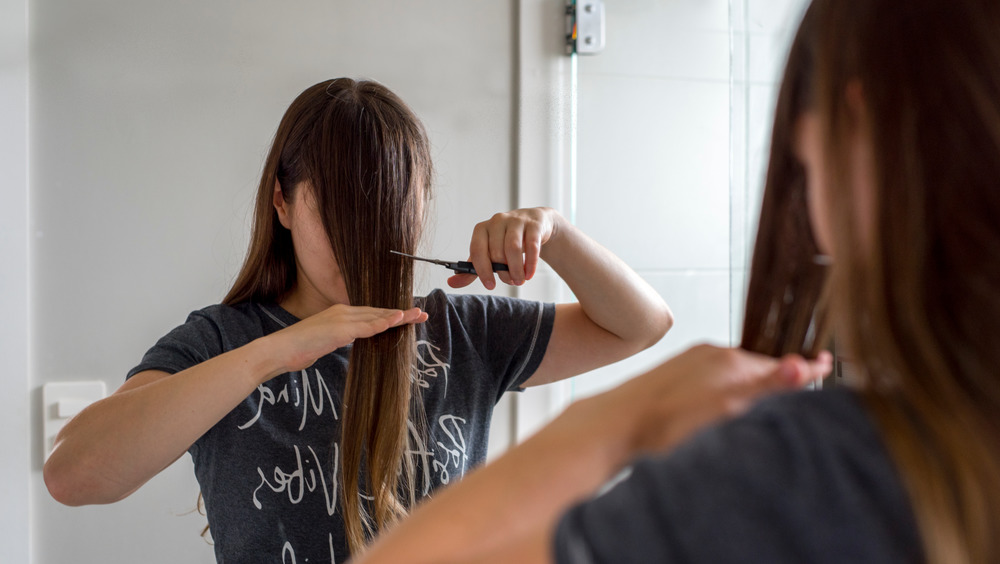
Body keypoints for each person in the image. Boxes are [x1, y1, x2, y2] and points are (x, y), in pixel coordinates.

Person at [354, 0, 1000, 562]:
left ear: (858, 130)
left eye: (803, 163)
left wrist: (627, 414)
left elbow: (641, 322)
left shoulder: (803, 472)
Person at [42, 78, 675, 563]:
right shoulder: (219, 342)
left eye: (387, 214)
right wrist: (276, 352)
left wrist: (555, 233)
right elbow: (72, 475)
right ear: (282, 202)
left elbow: (641, 324)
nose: (363, 241)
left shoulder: (460, 333)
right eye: (339, 213)